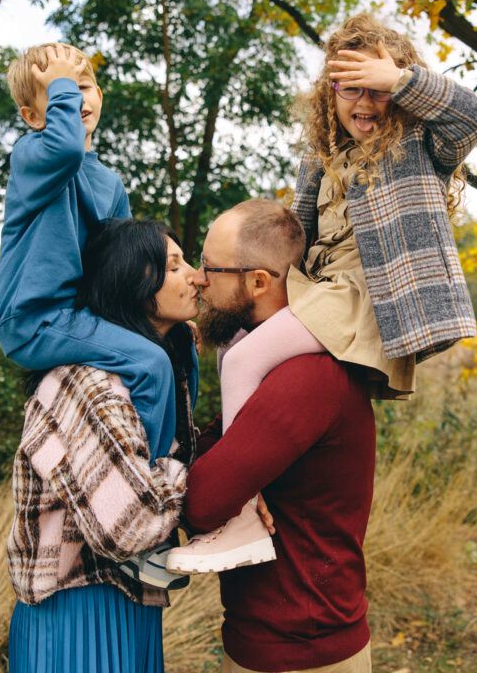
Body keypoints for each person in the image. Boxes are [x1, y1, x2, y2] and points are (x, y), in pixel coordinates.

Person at [167, 13, 477, 575]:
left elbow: (472, 116)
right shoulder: (323, 157)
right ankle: (225, 458)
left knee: (241, 359)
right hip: (322, 289)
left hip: (368, 299)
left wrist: (401, 81)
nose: (365, 102)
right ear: (330, 93)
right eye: (350, 88)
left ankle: (239, 515)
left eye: (377, 89)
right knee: (236, 338)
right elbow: (297, 235)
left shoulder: (418, 145)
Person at [175, 199, 377, 673]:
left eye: (210, 267)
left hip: (304, 653)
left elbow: (202, 501)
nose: (199, 279)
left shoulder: (307, 378)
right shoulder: (272, 368)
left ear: (259, 282)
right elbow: (214, 451)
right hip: (270, 641)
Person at [7, 218, 200, 673]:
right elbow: (131, 525)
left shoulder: (155, 370)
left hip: (131, 603)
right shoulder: (91, 385)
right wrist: (185, 473)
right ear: (133, 283)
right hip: (78, 613)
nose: (196, 276)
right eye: (175, 267)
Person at [0, 43, 177, 465]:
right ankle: (146, 475)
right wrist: (64, 85)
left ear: (99, 96)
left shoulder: (110, 182)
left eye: (82, 86)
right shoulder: (32, 155)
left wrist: (163, 313)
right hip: (33, 316)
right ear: (33, 117)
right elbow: (67, 149)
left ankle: (178, 453)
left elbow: (122, 268)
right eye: (59, 91)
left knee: (176, 343)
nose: (74, 97)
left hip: (78, 315)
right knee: (150, 364)